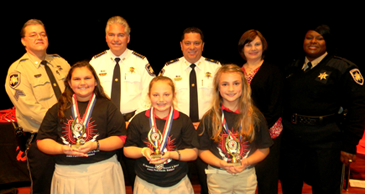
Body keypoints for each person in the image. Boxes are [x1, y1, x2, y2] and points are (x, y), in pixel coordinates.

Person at [280, 24, 365, 194]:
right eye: (309, 37)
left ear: (328, 42)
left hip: (326, 140)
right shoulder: (291, 67)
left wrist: (349, 144)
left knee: (325, 188)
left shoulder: (343, 68)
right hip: (292, 139)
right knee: (290, 186)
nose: (313, 41)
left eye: (319, 38)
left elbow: (358, 107)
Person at [37, 61, 126, 194]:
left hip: (103, 171)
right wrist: (62, 149)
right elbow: (42, 141)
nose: (82, 83)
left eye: (87, 78)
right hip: (67, 174)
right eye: (77, 79)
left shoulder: (108, 107)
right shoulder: (58, 109)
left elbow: (120, 138)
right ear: (69, 83)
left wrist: (95, 145)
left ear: (96, 81)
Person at [5, 19, 71, 194]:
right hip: (42, 137)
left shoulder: (61, 62)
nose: (39, 37)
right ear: (23, 41)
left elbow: (77, 93)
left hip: (71, 135)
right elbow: (29, 108)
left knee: (71, 185)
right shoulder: (18, 71)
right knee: (45, 187)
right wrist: (62, 123)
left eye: (42, 34)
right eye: (33, 35)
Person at [90, 16, 155, 188]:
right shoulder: (95, 63)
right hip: (105, 125)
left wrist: (133, 121)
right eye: (112, 35)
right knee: (105, 172)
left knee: (136, 172)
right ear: (106, 37)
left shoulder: (141, 62)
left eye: (120, 35)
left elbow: (149, 93)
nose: (116, 39)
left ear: (128, 37)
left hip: (132, 123)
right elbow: (91, 94)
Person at [159, 27, 221, 194]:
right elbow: (159, 98)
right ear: (181, 45)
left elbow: (222, 100)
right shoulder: (170, 69)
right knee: (178, 179)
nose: (192, 47)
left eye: (196, 43)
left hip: (208, 130)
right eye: (188, 43)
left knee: (208, 179)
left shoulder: (215, 68)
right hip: (179, 130)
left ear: (203, 45)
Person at [197, 64, 273, 194]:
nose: (231, 89)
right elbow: (202, 150)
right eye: (225, 84)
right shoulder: (210, 117)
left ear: (244, 86)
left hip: (246, 175)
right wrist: (220, 163)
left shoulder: (255, 116)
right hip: (217, 175)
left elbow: (264, 148)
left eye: (236, 83)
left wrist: (247, 162)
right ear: (217, 88)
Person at [124, 76, 199, 194]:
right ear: (148, 96)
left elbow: (193, 153)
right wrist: (143, 151)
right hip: (145, 183)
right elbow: (127, 150)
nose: (161, 99)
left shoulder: (183, 120)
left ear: (174, 95)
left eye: (166, 94)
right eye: (155, 95)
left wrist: (171, 154)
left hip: (177, 183)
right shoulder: (138, 120)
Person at [238, 29, 283, 194]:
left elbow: (276, 106)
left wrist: (257, 129)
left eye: (257, 44)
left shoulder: (273, 71)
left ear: (263, 47)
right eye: (248, 44)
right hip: (241, 133)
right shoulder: (236, 72)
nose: (253, 48)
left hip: (268, 133)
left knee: (267, 179)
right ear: (242, 48)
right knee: (243, 178)